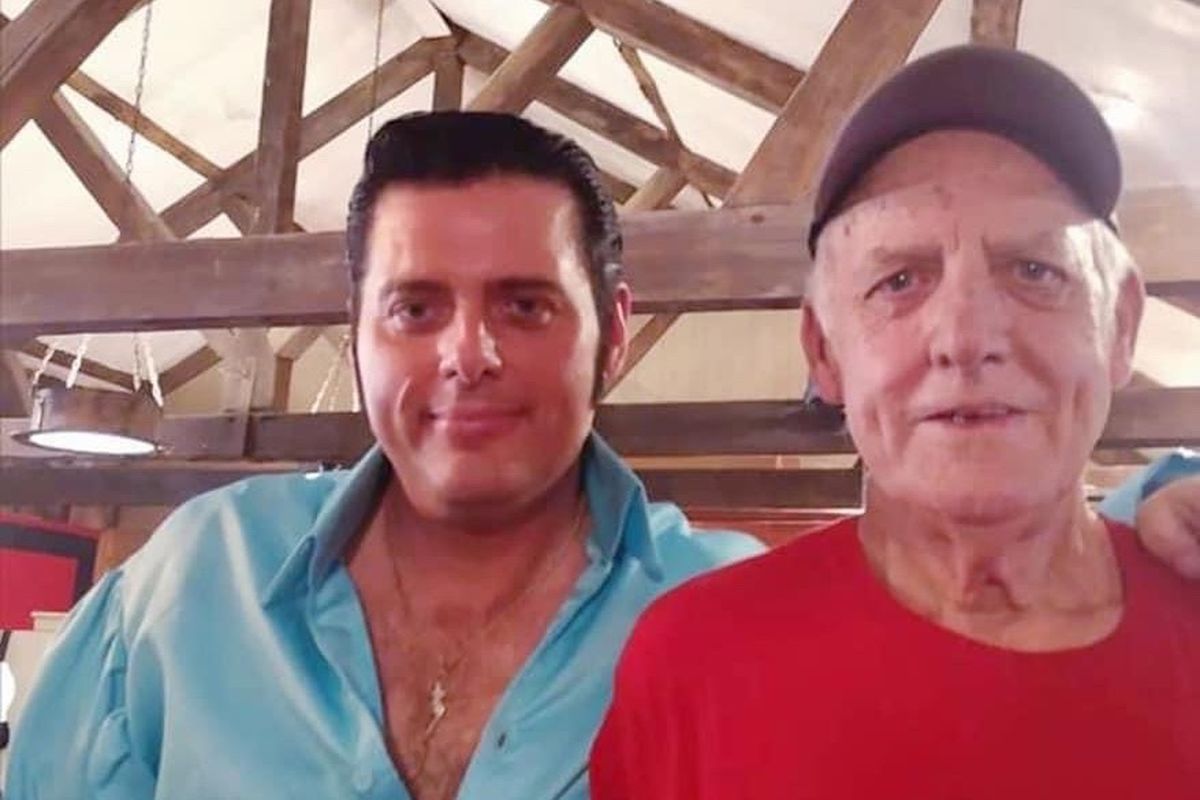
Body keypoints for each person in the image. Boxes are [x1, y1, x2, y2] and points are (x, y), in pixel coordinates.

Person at [4, 110, 1198, 800]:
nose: (468, 354)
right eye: (416, 307)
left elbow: (991, 579)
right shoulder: (190, 582)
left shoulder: (713, 617)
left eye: (526, 304)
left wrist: (1166, 498)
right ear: (354, 332)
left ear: (612, 332)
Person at [591, 46, 1200, 799]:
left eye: (1036, 271)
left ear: (1122, 325)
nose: (967, 337)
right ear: (824, 350)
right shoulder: (694, 663)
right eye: (899, 280)